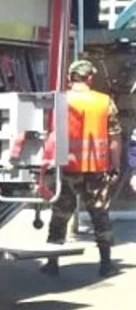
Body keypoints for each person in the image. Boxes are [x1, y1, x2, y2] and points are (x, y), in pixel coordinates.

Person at [41, 60, 122, 279]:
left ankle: (52, 262)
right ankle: (106, 263)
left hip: (67, 167)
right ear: (89, 78)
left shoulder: (59, 100)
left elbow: (47, 134)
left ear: (70, 77)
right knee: (99, 214)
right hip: (96, 168)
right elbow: (114, 137)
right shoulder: (105, 102)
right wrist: (115, 165)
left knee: (60, 215)